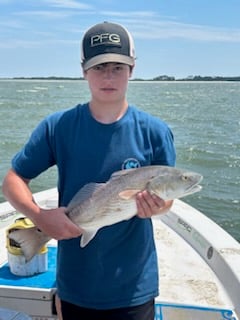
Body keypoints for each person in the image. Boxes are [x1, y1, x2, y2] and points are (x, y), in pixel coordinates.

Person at [2, 22, 176, 320]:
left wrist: (157, 207)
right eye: (99, 67)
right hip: (77, 282)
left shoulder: (155, 132)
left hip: (134, 284)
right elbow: (13, 180)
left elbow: (168, 198)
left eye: (118, 67)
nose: (108, 76)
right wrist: (40, 217)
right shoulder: (59, 127)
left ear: (132, 69)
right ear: (84, 70)